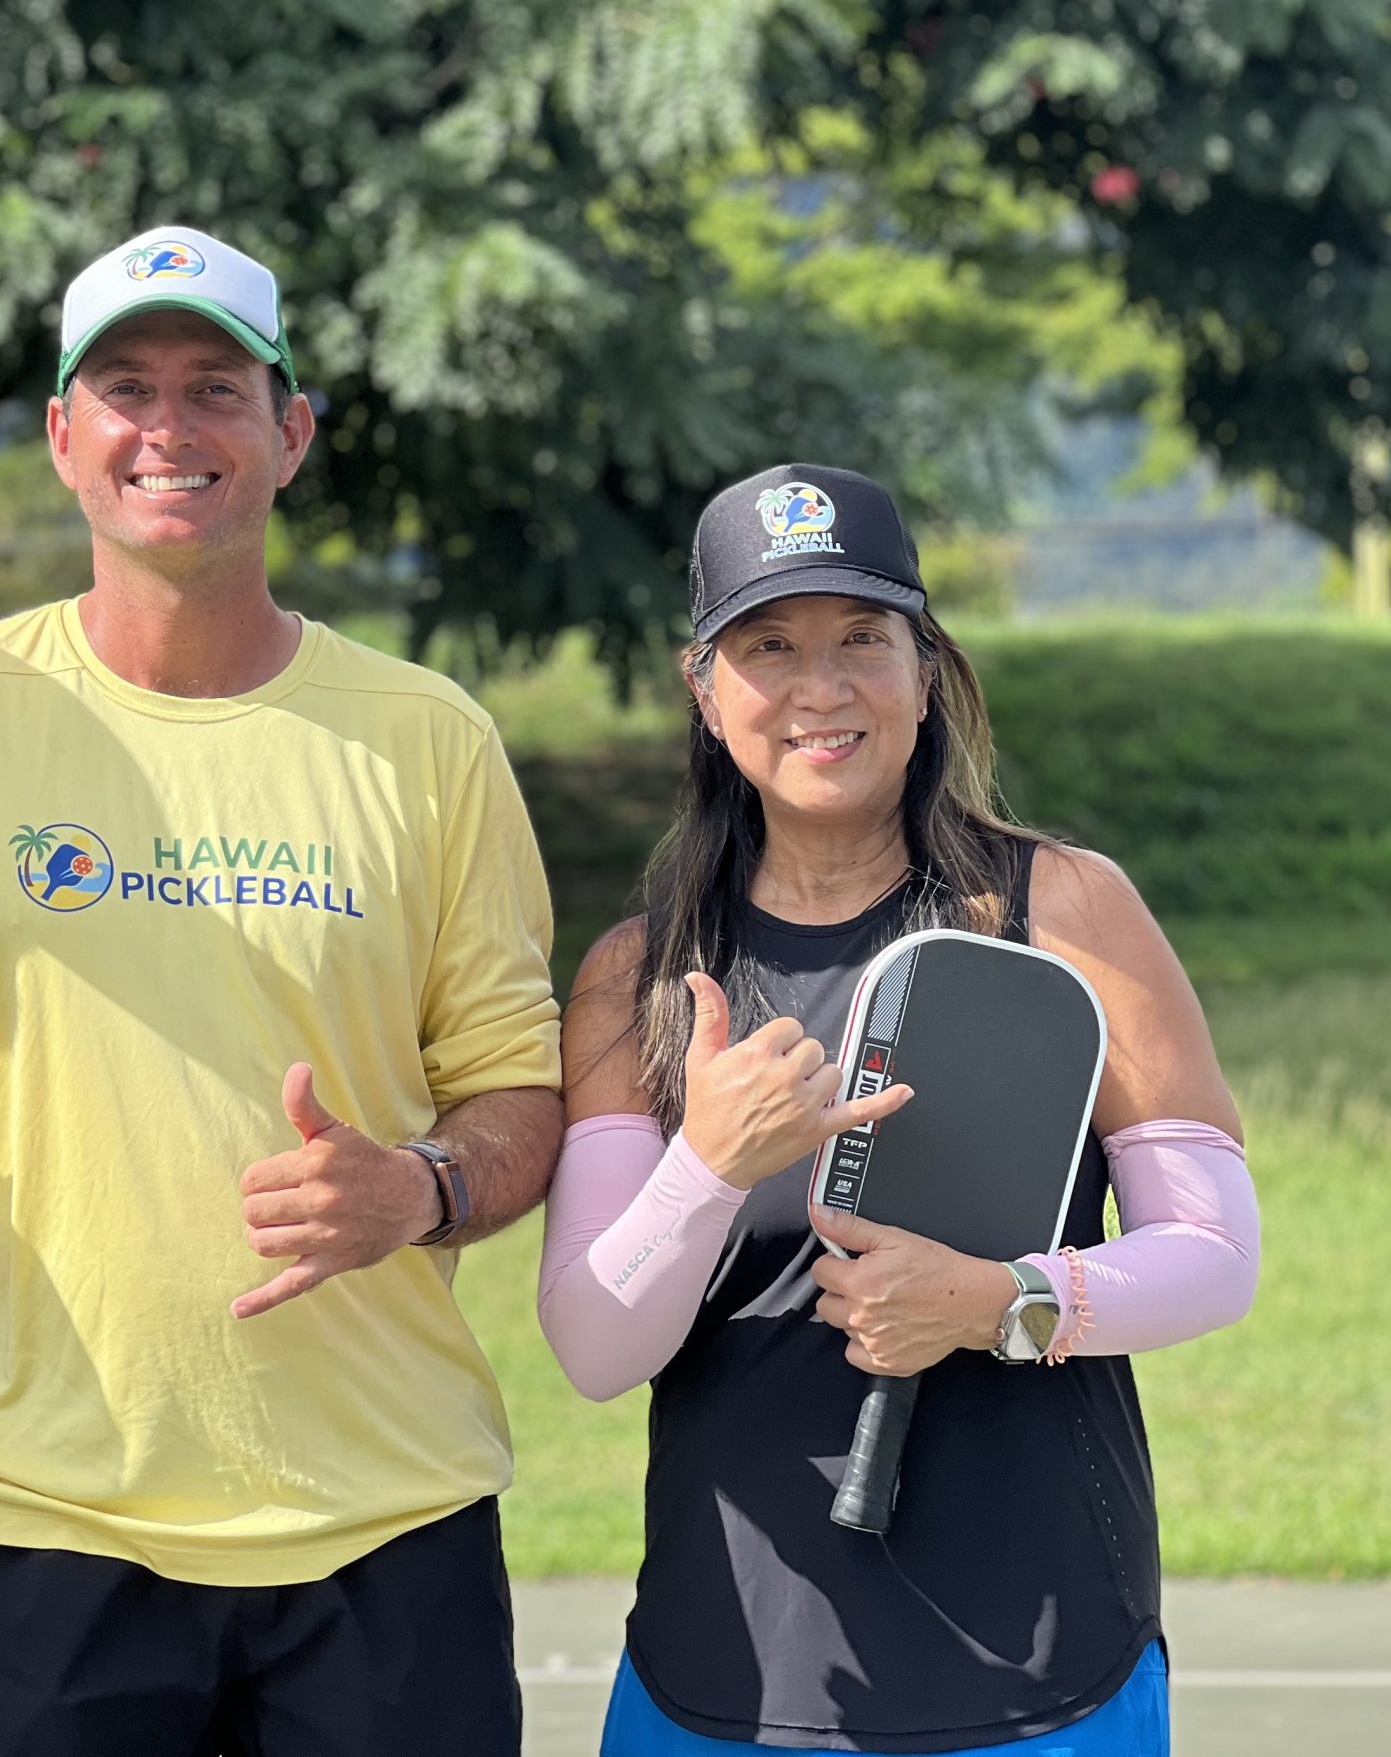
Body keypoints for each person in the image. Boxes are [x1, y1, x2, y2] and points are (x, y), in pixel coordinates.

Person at [0, 225, 566, 1754]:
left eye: (217, 387)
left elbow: (517, 1093)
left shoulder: (429, 738)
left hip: (386, 1529)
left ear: (292, 433)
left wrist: (417, 1189)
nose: (169, 426)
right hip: (38, 1529)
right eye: (126, 388)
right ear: (62, 436)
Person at [537, 465, 1261, 1754]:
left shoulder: (1068, 911)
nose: (821, 688)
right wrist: (708, 1163)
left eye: (862, 639)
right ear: (705, 690)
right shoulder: (637, 978)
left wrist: (1000, 1304)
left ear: (925, 674)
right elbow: (595, 1348)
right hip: (725, 1675)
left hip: (1044, 1668)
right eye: (770, 646)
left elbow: (1216, 1252)